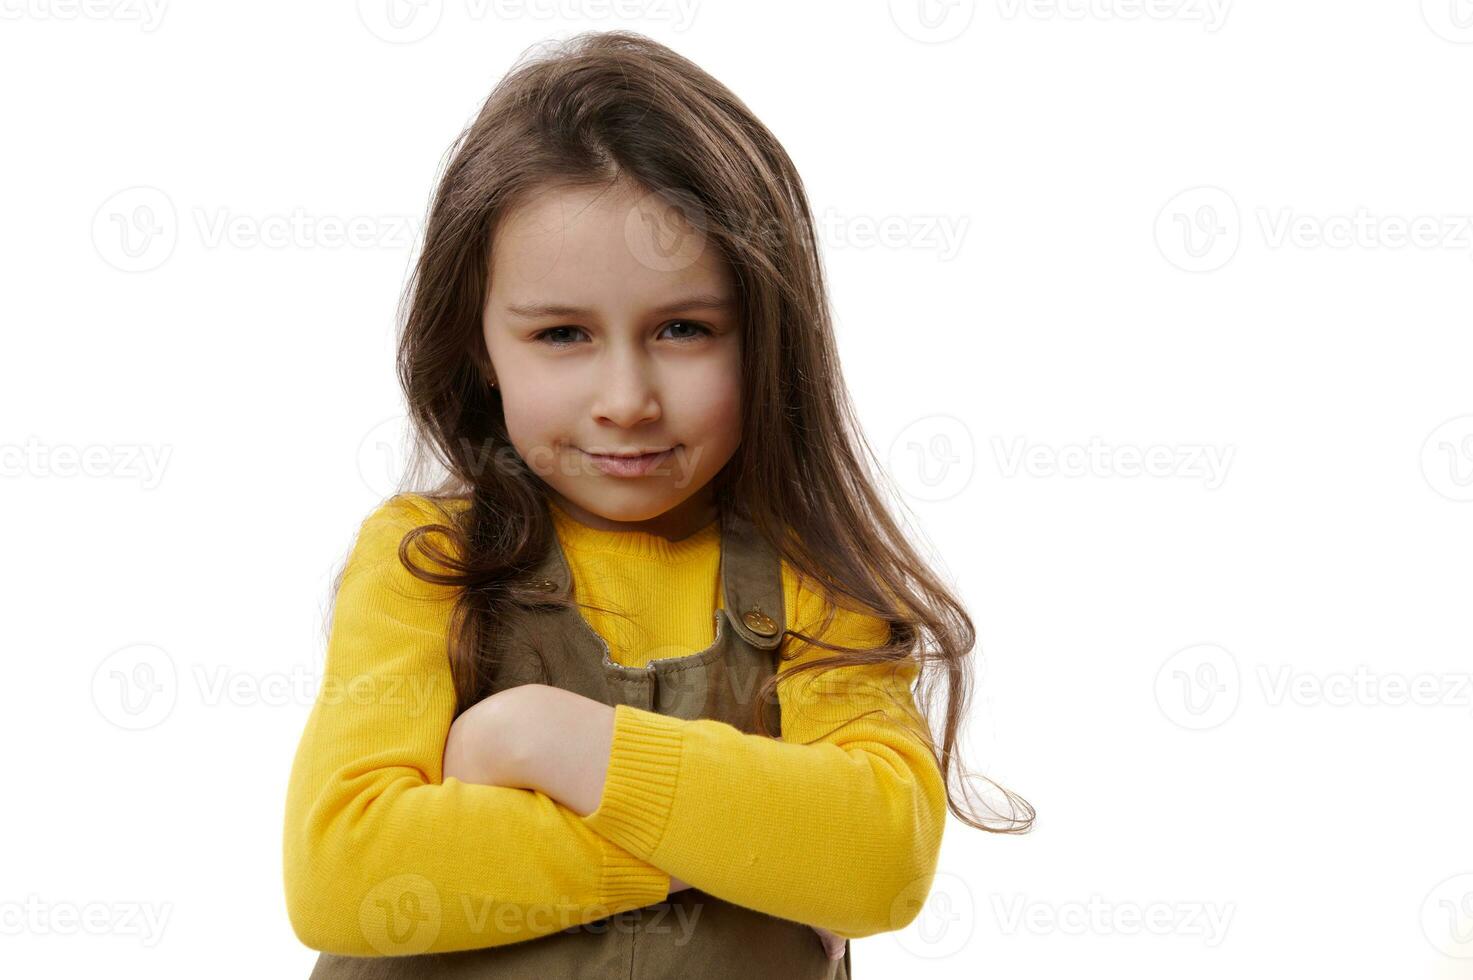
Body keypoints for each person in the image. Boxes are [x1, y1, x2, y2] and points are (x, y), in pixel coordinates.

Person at [282, 29, 1032, 978]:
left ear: (764, 331)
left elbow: (879, 863)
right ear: (478, 344)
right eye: (561, 333)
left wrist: (542, 741)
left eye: (683, 329)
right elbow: (343, 874)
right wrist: (743, 853)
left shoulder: (818, 576)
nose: (627, 399)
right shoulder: (426, 561)